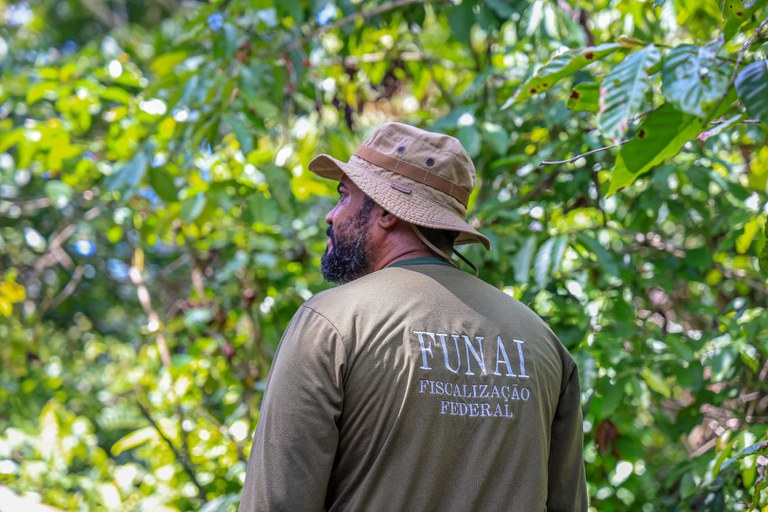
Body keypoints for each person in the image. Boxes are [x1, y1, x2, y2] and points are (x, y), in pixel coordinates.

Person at [239, 122, 587, 511]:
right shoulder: (539, 339)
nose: (331, 216)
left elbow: (275, 503)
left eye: (343, 196)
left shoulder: (332, 324)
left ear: (387, 210)